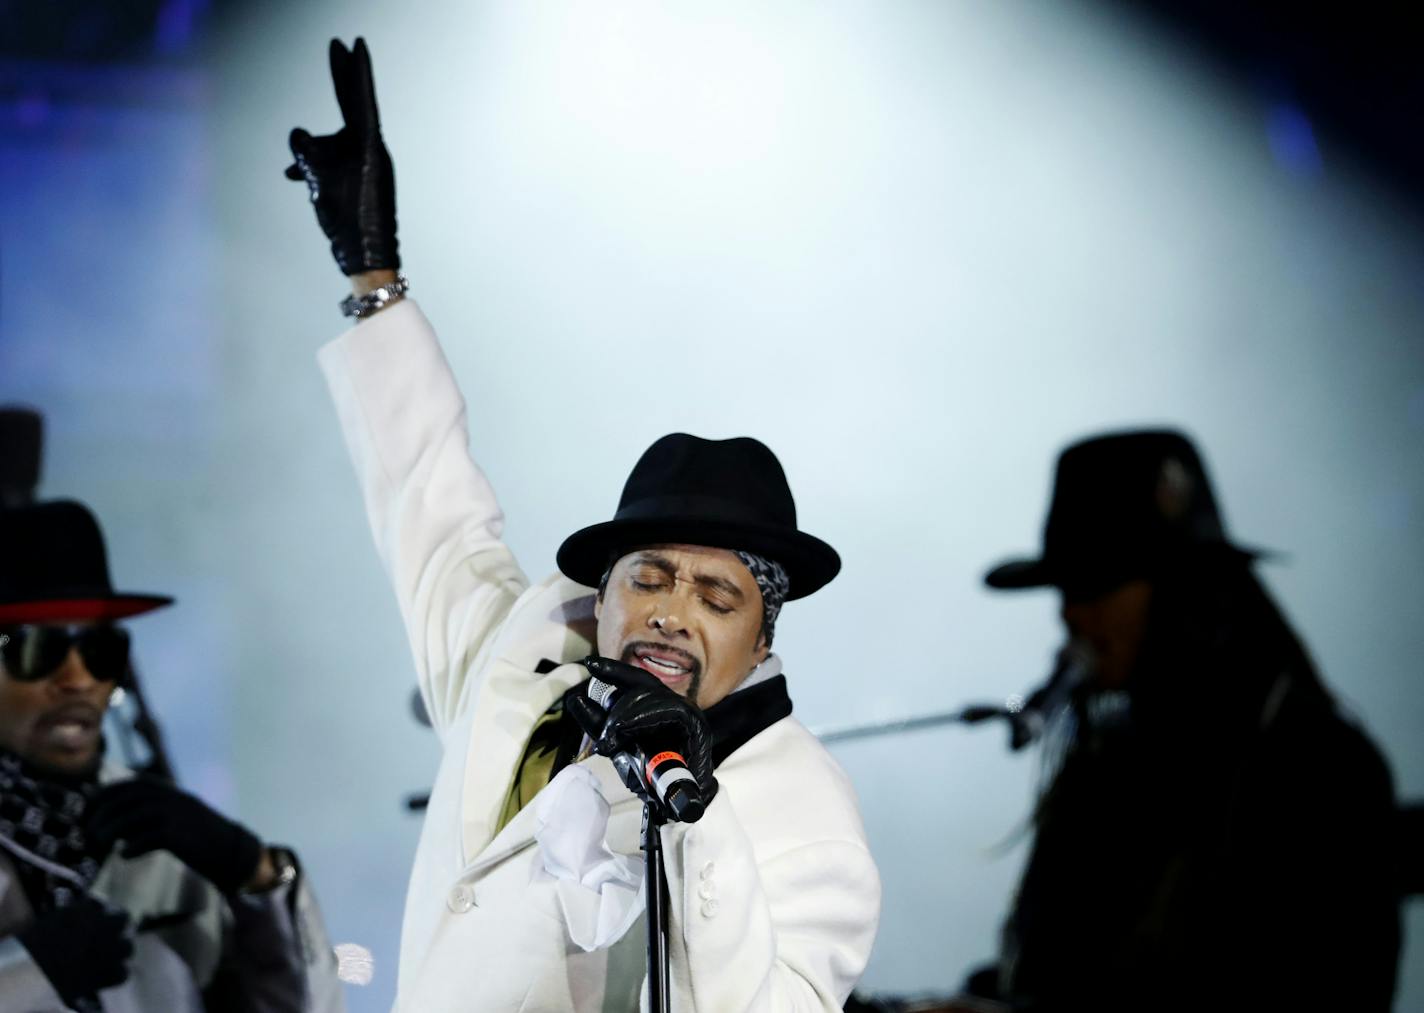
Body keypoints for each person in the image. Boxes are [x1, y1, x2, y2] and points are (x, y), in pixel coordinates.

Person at [286, 37, 880, 1012]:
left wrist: (690, 804)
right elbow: (431, 509)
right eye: (647, 576)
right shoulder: (520, 667)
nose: (670, 612)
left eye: (717, 593)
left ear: (762, 634)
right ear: (600, 596)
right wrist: (373, 276)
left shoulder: (804, 812)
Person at [960, 429, 1401, 1012]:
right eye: (1067, 586)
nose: (1069, 610)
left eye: (1097, 582)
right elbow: (1068, 972)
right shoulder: (1106, 766)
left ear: (1185, 590)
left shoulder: (1316, 765)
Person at [0, 498, 346, 1011]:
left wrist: (255, 874)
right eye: (38, 650)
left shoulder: (160, 834)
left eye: (100, 651)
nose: (77, 680)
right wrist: (30, 972)